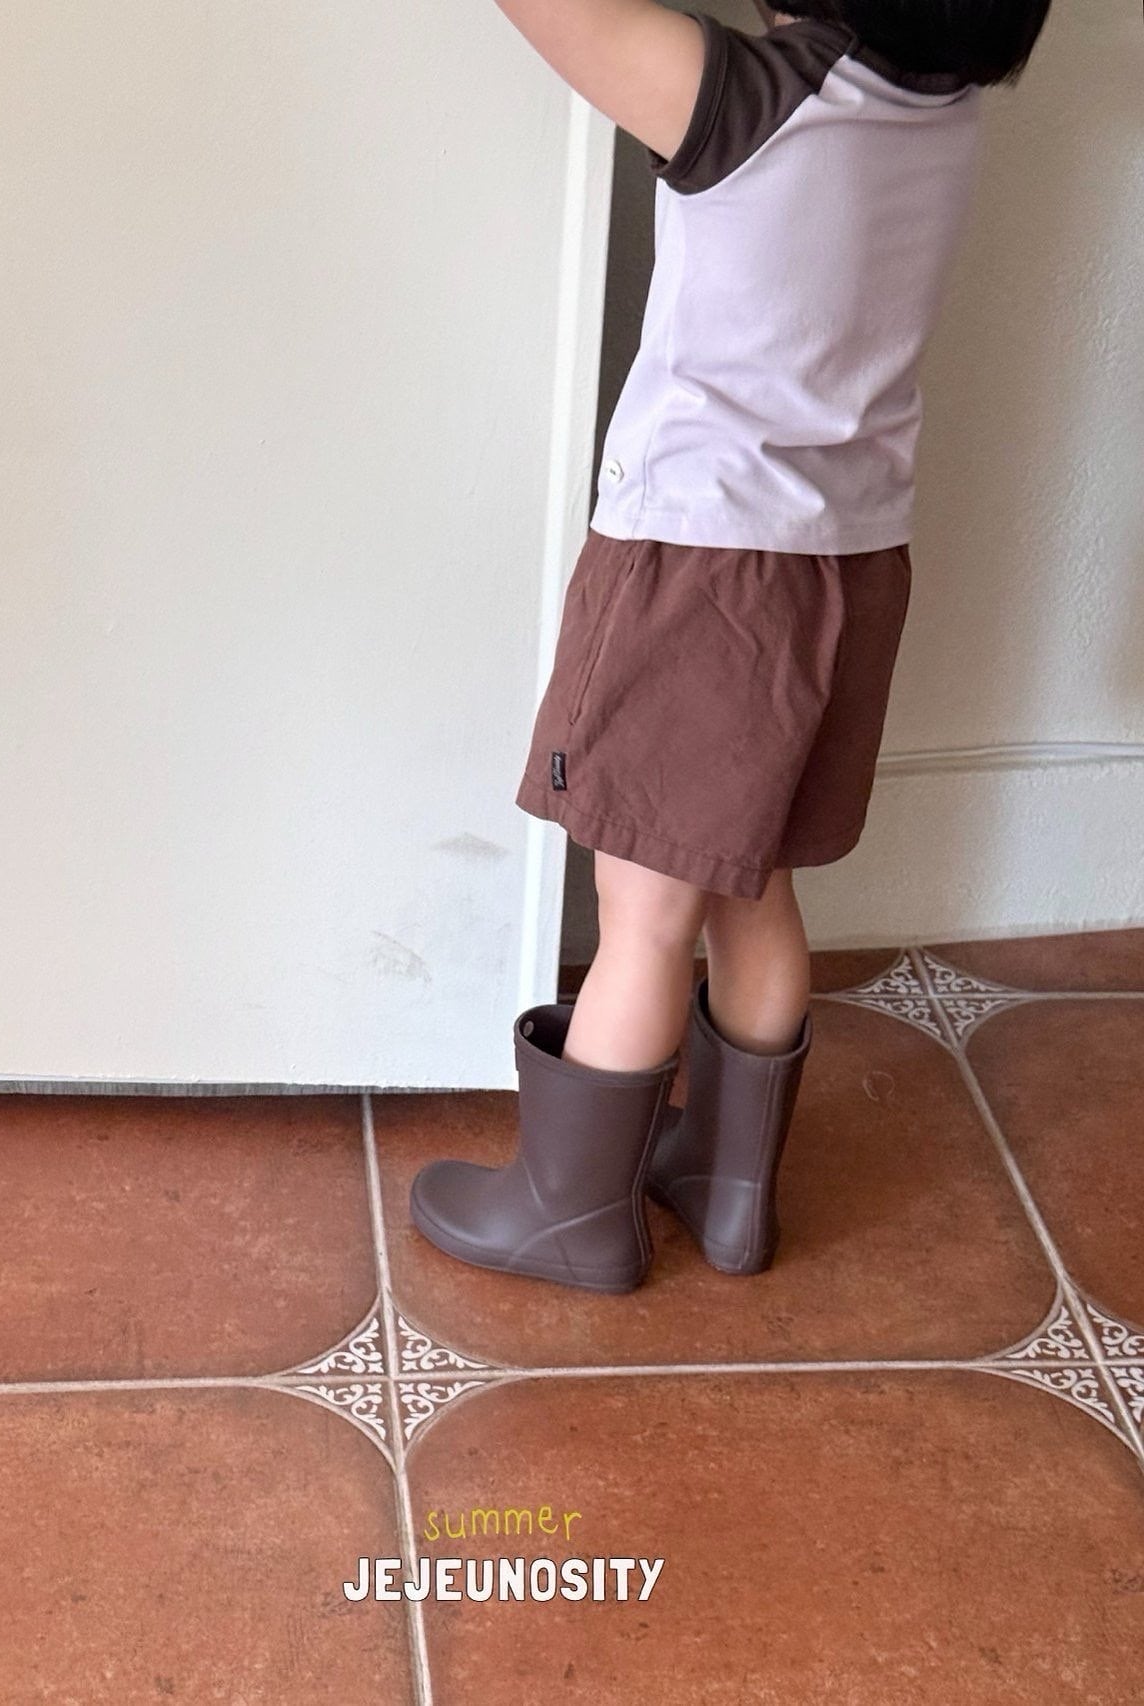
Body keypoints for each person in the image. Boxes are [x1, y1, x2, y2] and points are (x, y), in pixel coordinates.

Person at [409, 0, 1054, 1292]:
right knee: (755, 884)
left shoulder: (754, 101)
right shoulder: (946, 115)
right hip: (853, 562)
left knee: (645, 917)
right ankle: (728, 1186)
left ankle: (570, 1213)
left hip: (705, 564)